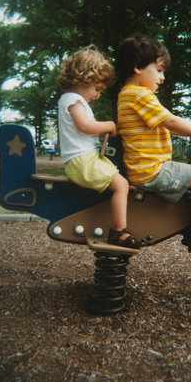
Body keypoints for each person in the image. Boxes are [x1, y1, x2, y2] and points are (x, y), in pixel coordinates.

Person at [114, 34, 191, 255]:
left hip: (140, 169)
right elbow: (171, 122)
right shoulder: (141, 95)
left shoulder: (125, 95)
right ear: (138, 67)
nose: (162, 77)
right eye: (159, 70)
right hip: (151, 170)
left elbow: (166, 126)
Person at [57, 46, 145, 248]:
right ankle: (119, 232)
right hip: (83, 160)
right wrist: (110, 125)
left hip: (83, 159)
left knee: (120, 177)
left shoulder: (70, 100)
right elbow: (85, 126)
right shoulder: (74, 100)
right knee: (121, 185)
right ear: (83, 79)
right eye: (97, 89)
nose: (97, 95)